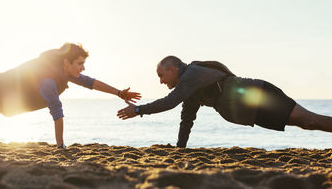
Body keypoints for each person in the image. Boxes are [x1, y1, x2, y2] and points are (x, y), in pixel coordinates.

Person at [0, 43, 141, 148]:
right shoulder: (48, 80)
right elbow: (57, 112)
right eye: (79, 63)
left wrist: (119, 92)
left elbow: (91, 82)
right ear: (66, 62)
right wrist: (61, 147)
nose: (82, 68)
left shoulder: (65, 72)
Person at [117, 56, 332, 148]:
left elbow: (169, 102)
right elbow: (186, 119)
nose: (161, 81)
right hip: (252, 111)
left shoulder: (191, 74)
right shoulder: (189, 89)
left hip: (257, 95)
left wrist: (138, 109)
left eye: (161, 75)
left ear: (173, 69)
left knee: (309, 119)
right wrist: (180, 149)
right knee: (306, 123)